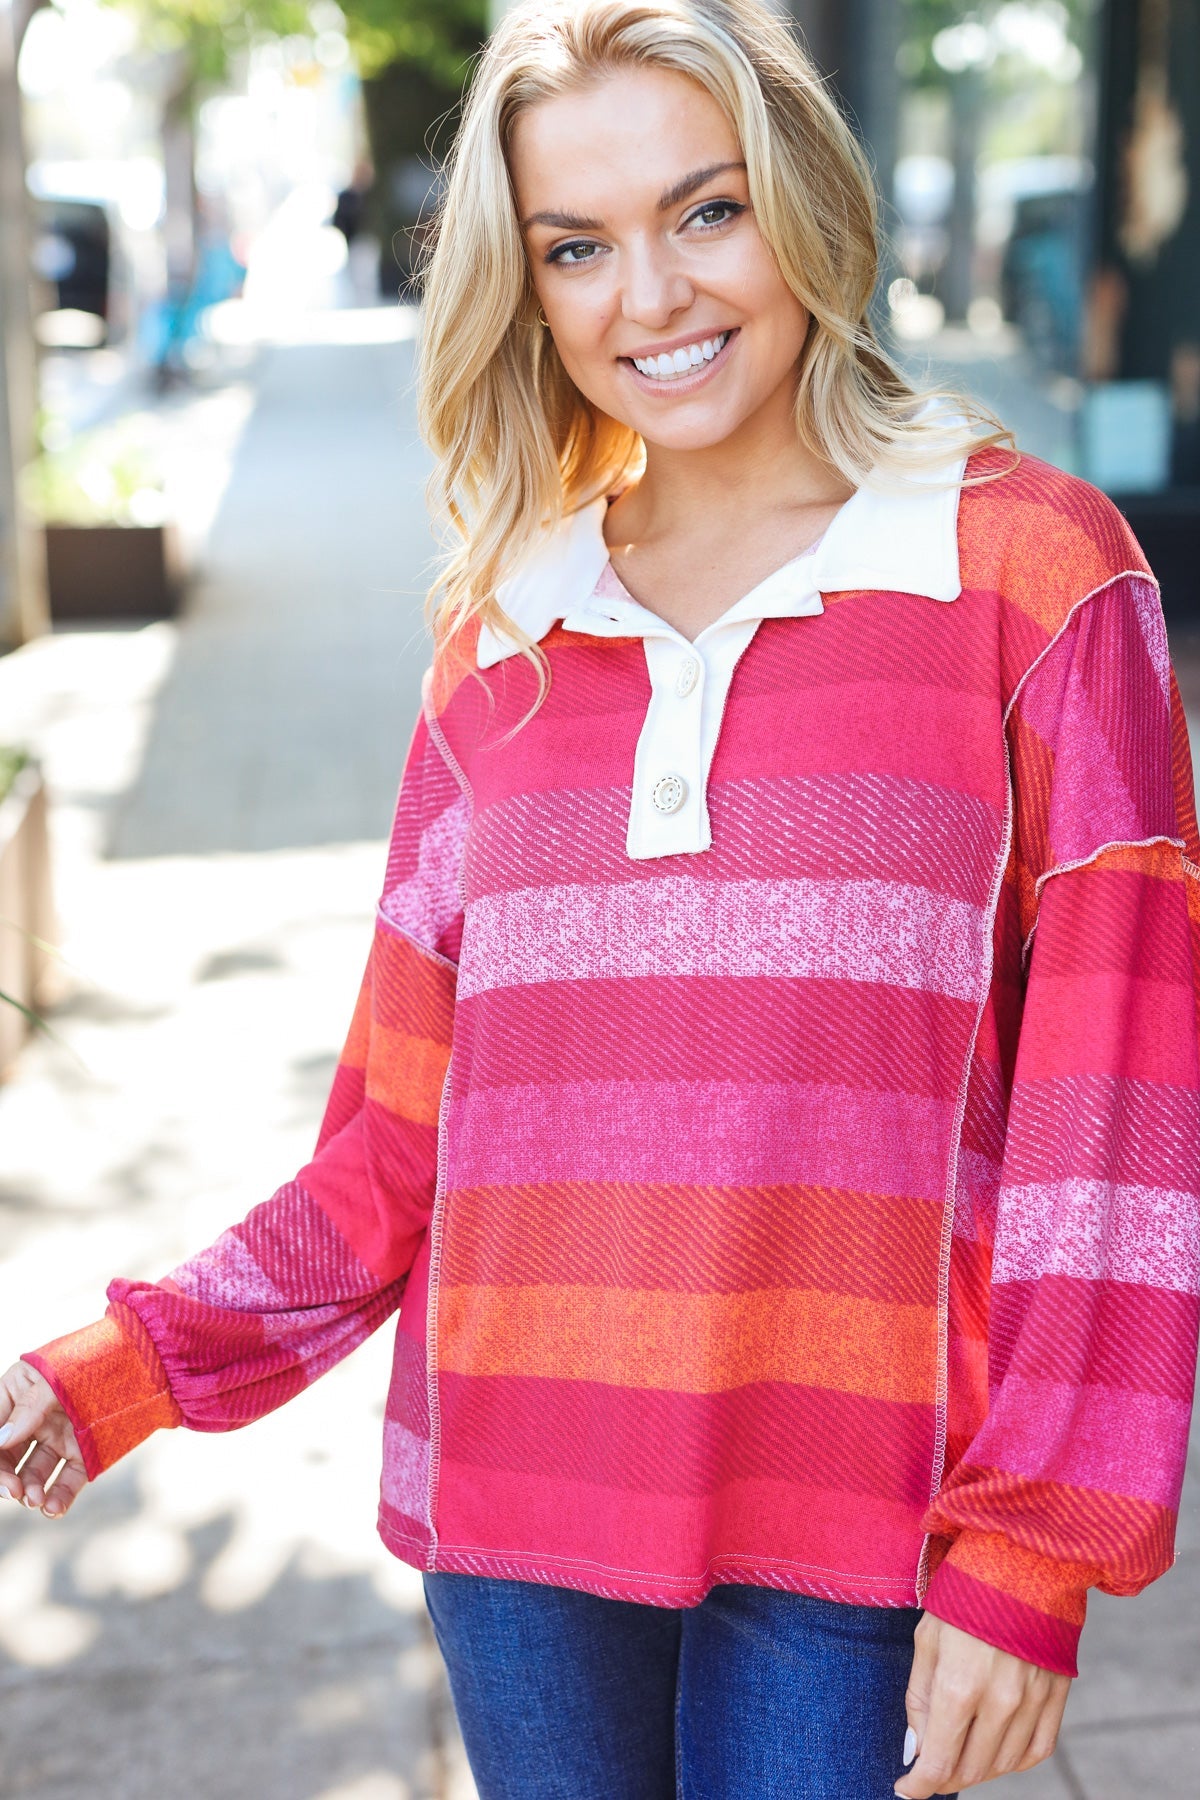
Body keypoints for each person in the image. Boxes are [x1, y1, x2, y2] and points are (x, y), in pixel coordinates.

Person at [3, 4, 1198, 1796]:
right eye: (579, 244)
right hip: (514, 1519)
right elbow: (396, 1150)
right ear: (526, 284)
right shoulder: (503, 629)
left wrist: (1037, 1543)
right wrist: (121, 1365)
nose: (651, 295)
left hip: (860, 1524)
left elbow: (1115, 1119)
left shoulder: (1029, 572)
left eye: (705, 212)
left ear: (801, 202)